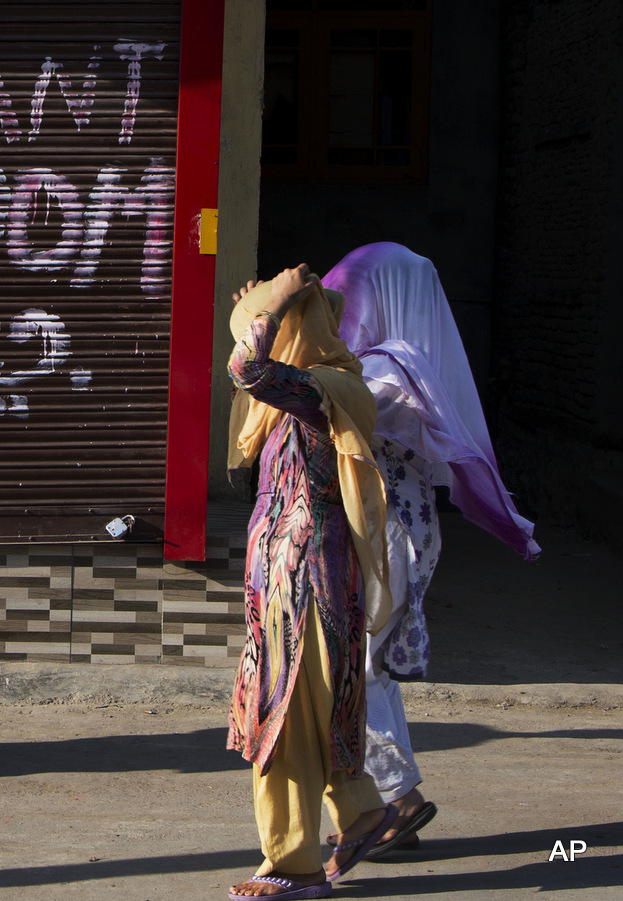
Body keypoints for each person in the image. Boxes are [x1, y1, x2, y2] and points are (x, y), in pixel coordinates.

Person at [321, 242, 540, 854]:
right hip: (395, 528)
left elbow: (320, 409)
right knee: (363, 664)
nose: (343, 308)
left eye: (351, 295)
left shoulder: (388, 371)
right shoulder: (401, 364)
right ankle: (382, 810)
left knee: (355, 666)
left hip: (386, 532)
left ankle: (397, 801)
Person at [224, 265, 398, 900]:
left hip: (302, 587)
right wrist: (265, 309)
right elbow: (249, 362)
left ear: (292, 335)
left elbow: (248, 370)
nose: (247, 340)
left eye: (267, 331)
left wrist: (274, 304)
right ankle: (362, 812)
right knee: (319, 705)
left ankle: (292, 865)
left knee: (289, 712)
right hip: (294, 579)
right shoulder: (302, 397)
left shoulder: (322, 389)